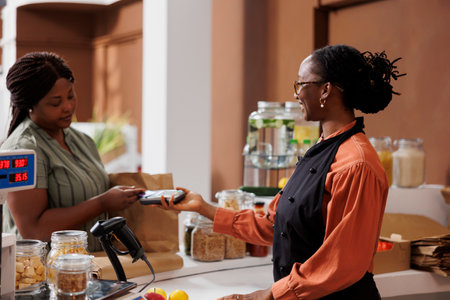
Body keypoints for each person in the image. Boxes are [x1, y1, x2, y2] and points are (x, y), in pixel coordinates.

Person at [161, 44, 405, 299]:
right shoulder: (321, 150)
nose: (297, 94)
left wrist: (266, 295)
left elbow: (342, 262)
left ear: (326, 89)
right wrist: (203, 207)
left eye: (301, 84)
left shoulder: (357, 164)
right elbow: (274, 224)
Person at [1, 52, 145, 251]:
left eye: (70, 95)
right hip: (47, 274)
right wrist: (102, 203)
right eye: (55, 103)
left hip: (92, 268)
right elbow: (33, 230)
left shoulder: (82, 141)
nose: (67, 107)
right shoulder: (22, 149)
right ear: (30, 105)